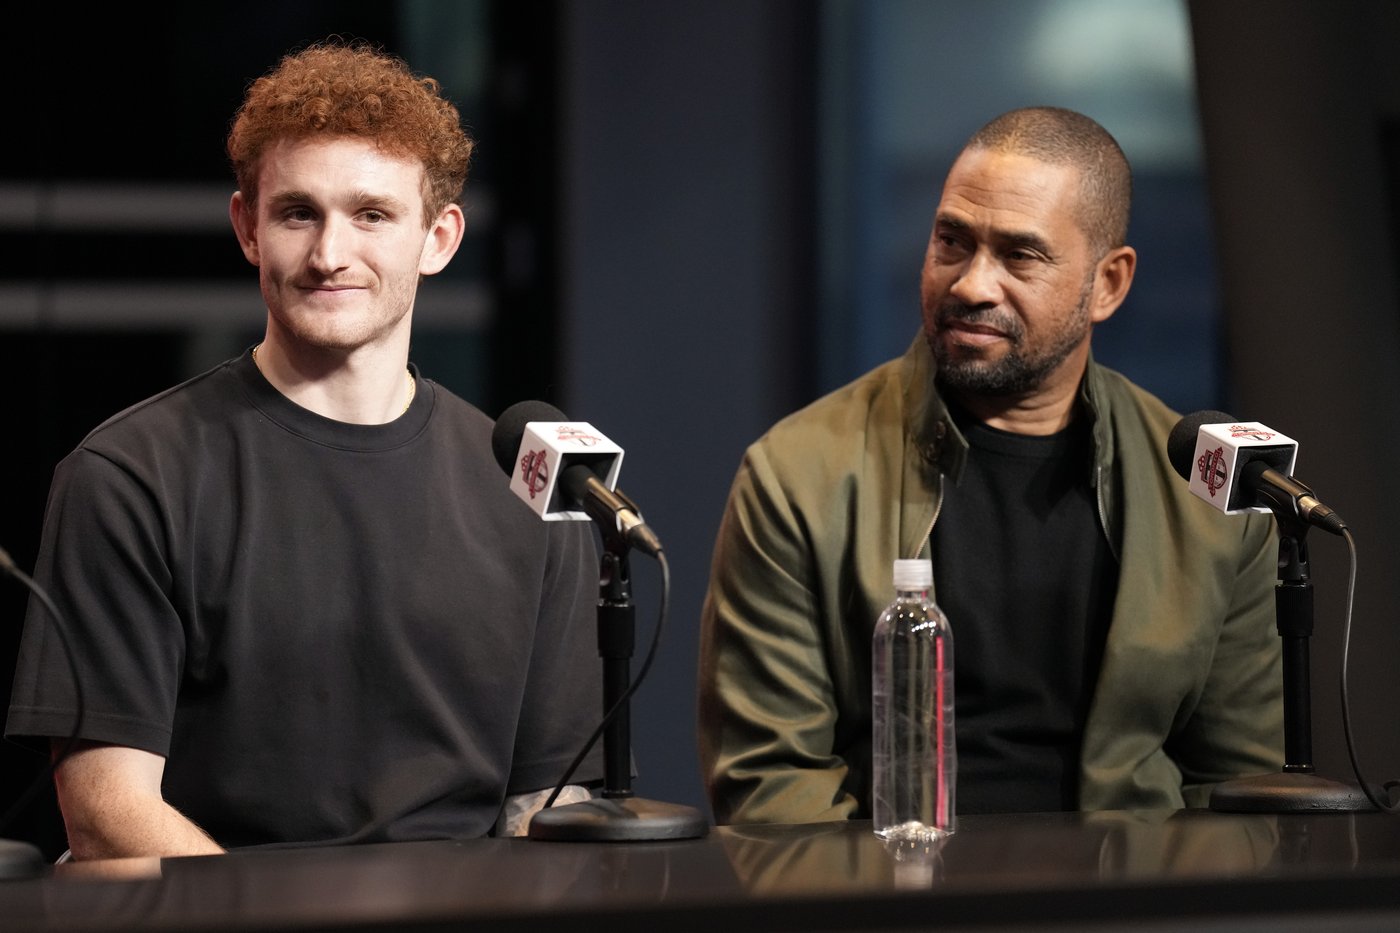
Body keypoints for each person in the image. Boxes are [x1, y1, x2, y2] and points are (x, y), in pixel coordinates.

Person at [6, 39, 602, 858]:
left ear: (439, 238)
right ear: (248, 227)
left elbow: (549, 802)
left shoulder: (530, 488)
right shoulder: (128, 478)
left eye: (371, 214)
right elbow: (108, 813)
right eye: (298, 213)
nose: (329, 255)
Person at [698, 106, 1284, 824]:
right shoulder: (797, 475)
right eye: (952, 241)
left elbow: (1240, 793)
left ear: (1109, 283)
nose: (973, 284)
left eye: (1019, 255)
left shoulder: (1206, 496)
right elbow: (772, 787)